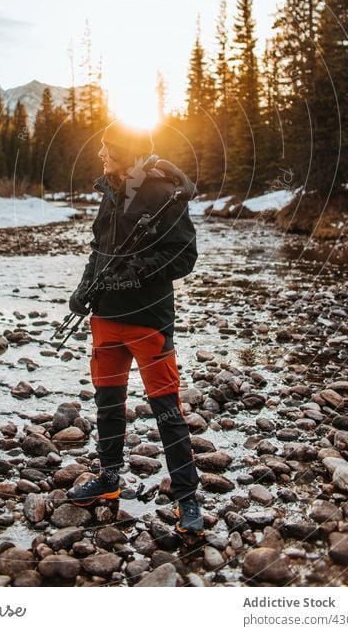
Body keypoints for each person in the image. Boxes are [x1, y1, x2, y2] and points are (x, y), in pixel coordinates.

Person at [66, 119, 204, 535]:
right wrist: (84, 289)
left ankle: (187, 497)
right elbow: (99, 250)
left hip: (149, 320)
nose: (100, 154)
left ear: (125, 153)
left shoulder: (163, 194)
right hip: (106, 318)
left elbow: (184, 256)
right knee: (107, 404)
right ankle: (109, 481)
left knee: (167, 410)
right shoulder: (110, 192)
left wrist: (137, 270)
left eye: (107, 148)